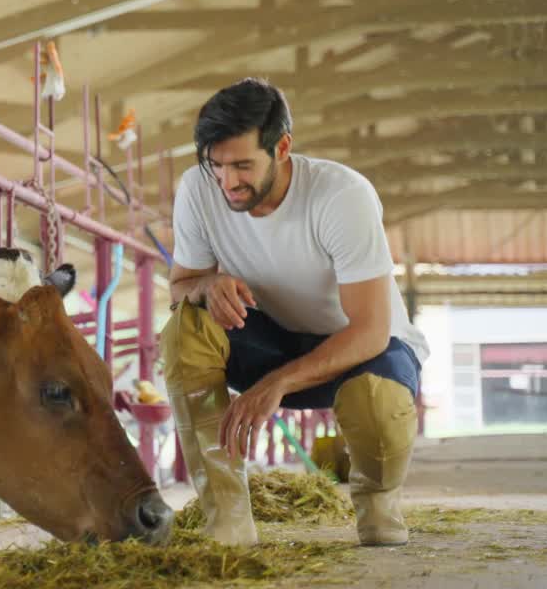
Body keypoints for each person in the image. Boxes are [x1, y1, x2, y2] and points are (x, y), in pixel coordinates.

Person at [161, 77, 428, 547]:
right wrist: (208, 284)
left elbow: (369, 332)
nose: (227, 181)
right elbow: (180, 288)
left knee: (379, 400)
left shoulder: (340, 195)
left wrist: (276, 384)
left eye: (243, 165)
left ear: (282, 147)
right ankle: (225, 520)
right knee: (184, 329)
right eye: (216, 165)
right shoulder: (198, 189)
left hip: (362, 350)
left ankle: (378, 504)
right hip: (270, 339)